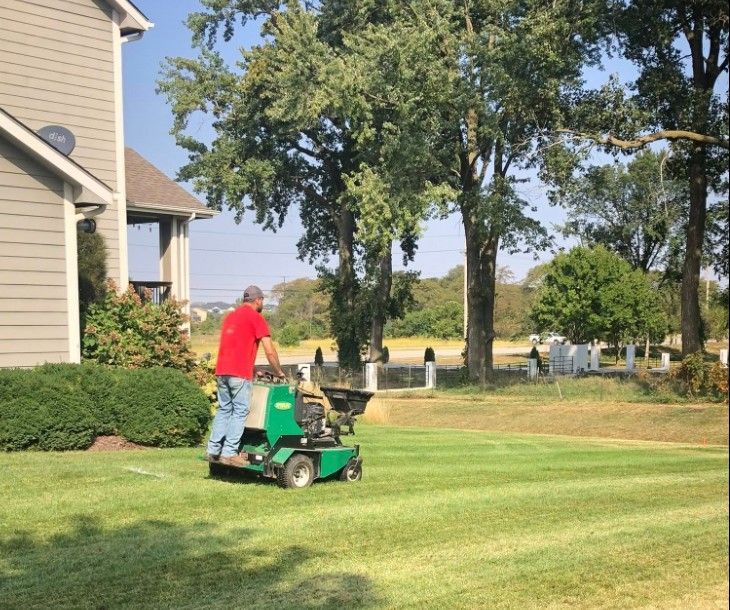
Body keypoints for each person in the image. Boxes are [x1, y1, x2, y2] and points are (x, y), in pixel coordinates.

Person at [206, 285, 286, 466]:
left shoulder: (230, 317)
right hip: (238, 374)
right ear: (258, 300)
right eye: (262, 300)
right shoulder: (256, 318)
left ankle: (212, 450)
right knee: (240, 410)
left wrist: (254, 369)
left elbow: (236, 348)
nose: (262, 303)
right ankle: (229, 453)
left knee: (224, 409)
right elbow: (270, 351)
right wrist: (279, 372)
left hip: (222, 371)